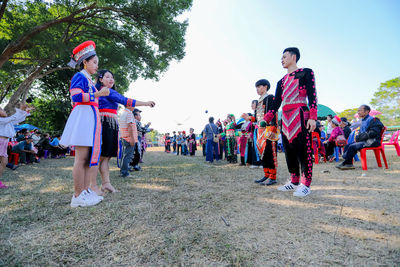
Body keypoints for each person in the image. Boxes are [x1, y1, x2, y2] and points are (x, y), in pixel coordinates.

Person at [61, 40, 109, 207]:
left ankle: (85, 191)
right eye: (94, 62)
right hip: (83, 118)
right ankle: (77, 194)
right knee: (81, 158)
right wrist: (98, 95)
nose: (96, 66)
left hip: (90, 119)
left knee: (87, 157)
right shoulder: (79, 76)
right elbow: (75, 97)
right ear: (85, 62)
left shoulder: (88, 78)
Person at [264, 47, 317, 197]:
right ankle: (294, 181)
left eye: (284, 57)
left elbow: (312, 95)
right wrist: (266, 119)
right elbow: (276, 103)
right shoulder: (280, 82)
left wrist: (313, 116)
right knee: (289, 150)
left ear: (294, 57)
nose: (282, 60)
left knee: (303, 149)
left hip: (300, 114)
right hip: (285, 118)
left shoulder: (306, 72)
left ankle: (305, 184)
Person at [94, 69, 154, 193]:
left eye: (112, 77)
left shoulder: (107, 91)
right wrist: (146, 103)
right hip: (103, 123)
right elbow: (126, 101)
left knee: (105, 157)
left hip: (110, 124)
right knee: (98, 157)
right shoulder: (104, 91)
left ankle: (106, 183)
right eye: (107, 77)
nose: (111, 79)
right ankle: (92, 186)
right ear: (100, 79)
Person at [337, 105, 384, 170]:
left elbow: (373, 133)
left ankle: (348, 164)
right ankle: (346, 162)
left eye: (360, 110)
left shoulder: (374, 120)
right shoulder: (363, 120)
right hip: (365, 140)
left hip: (372, 141)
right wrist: (359, 138)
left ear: (367, 111)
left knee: (352, 146)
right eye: (358, 111)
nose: (358, 112)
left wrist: (359, 138)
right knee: (348, 145)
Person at [253, 79, 279, 186]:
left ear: (265, 87)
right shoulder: (258, 101)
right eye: (256, 87)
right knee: (262, 153)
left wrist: (273, 128)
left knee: (270, 152)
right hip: (260, 130)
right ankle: (266, 174)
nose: (257, 89)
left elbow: (274, 113)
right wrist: (249, 118)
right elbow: (257, 118)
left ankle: (272, 177)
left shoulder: (270, 98)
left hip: (269, 129)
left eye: (259, 87)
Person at [0, 103, 33, 188]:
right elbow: (13, 118)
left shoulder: (7, 120)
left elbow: (18, 119)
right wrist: (21, 109)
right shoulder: (2, 120)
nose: (4, 111)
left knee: (4, 162)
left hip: (4, 142)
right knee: (3, 162)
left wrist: (25, 111)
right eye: (2, 110)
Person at [119, 106, 138, 177]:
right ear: (129, 106)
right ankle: (124, 172)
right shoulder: (129, 113)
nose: (134, 107)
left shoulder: (123, 113)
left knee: (125, 155)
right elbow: (129, 126)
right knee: (127, 156)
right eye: (133, 105)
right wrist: (132, 138)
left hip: (124, 137)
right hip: (129, 138)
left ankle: (123, 171)